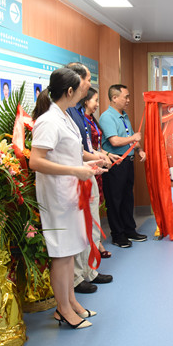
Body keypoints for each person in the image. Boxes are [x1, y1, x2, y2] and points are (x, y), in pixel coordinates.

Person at [30, 67, 106, 329]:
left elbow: (68, 155)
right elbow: (36, 161)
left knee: (71, 251)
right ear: (70, 90)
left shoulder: (64, 116)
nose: (86, 90)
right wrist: (75, 170)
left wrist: (88, 165)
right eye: (82, 86)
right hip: (57, 197)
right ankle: (62, 309)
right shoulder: (48, 121)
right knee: (61, 254)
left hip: (72, 193)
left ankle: (71, 302)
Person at [65, 63, 114, 293]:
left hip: (88, 171)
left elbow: (84, 145)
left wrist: (97, 157)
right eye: (87, 79)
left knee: (93, 224)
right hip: (75, 175)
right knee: (79, 228)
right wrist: (96, 157)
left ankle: (90, 270)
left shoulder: (78, 112)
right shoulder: (65, 111)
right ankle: (77, 277)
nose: (89, 84)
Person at [100, 84, 147, 248]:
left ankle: (129, 230)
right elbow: (115, 141)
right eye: (125, 97)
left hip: (128, 162)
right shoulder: (107, 117)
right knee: (115, 200)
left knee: (127, 198)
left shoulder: (124, 116)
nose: (128, 100)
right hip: (115, 164)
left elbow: (132, 138)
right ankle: (117, 235)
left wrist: (139, 150)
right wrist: (133, 138)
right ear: (114, 98)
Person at [81, 87, 115, 258]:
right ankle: (95, 245)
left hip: (97, 164)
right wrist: (101, 157)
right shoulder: (81, 120)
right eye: (95, 100)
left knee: (97, 205)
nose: (97, 104)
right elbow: (85, 149)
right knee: (89, 207)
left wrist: (107, 155)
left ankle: (97, 241)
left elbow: (96, 146)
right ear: (85, 100)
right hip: (88, 166)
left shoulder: (92, 119)